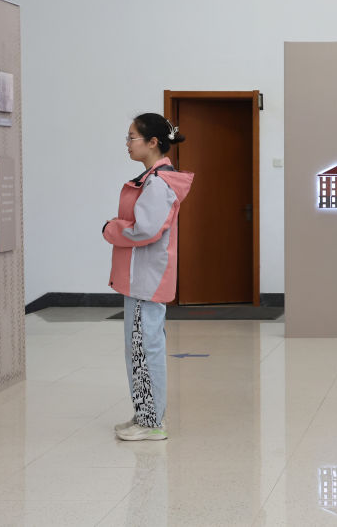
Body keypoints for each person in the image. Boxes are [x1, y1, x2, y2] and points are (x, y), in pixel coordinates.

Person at [103, 114, 193, 441]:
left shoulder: (158, 183)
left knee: (144, 348)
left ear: (152, 142)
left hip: (147, 278)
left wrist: (111, 228)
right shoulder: (153, 179)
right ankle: (145, 414)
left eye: (132, 137)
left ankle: (151, 423)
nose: (128, 144)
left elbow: (146, 230)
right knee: (140, 347)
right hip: (142, 276)